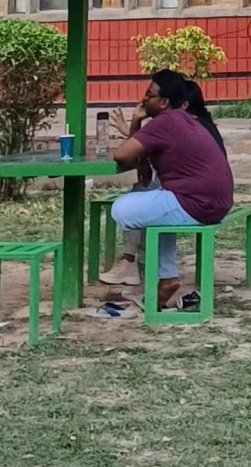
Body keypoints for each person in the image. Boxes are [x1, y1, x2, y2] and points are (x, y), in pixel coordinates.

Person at [97, 68, 234, 314]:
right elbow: (144, 170)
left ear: (164, 103)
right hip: (214, 202)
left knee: (121, 209)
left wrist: (136, 121)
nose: (143, 99)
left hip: (197, 203)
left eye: (149, 95)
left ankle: (146, 269)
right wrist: (137, 121)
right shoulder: (182, 120)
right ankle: (167, 279)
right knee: (156, 207)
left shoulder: (165, 122)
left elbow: (123, 155)